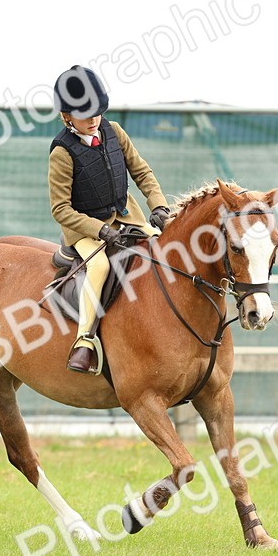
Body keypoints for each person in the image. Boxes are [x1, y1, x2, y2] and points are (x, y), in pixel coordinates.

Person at [49, 65, 172, 374]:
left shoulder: (114, 131)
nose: (93, 119)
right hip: (86, 229)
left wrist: (159, 206)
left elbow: (142, 172)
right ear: (66, 115)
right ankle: (85, 341)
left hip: (127, 216)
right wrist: (100, 230)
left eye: (97, 111)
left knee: (162, 248)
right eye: (84, 113)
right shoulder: (62, 153)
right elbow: (60, 209)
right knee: (101, 266)